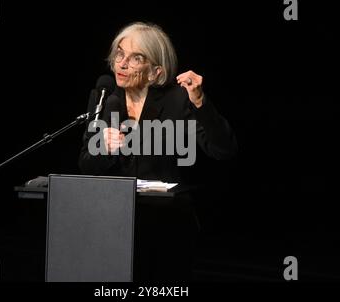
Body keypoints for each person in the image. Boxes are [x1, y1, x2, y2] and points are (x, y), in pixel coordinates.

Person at [78, 22, 237, 281]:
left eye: (135, 58)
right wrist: (103, 149)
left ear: (155, 71)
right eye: (119, 54)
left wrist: (200, 103)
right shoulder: (104, 97)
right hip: (113, 223)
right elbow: (86, 164)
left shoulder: (179, 99)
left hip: (167, 226)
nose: (122, 63)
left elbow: (223, 150)